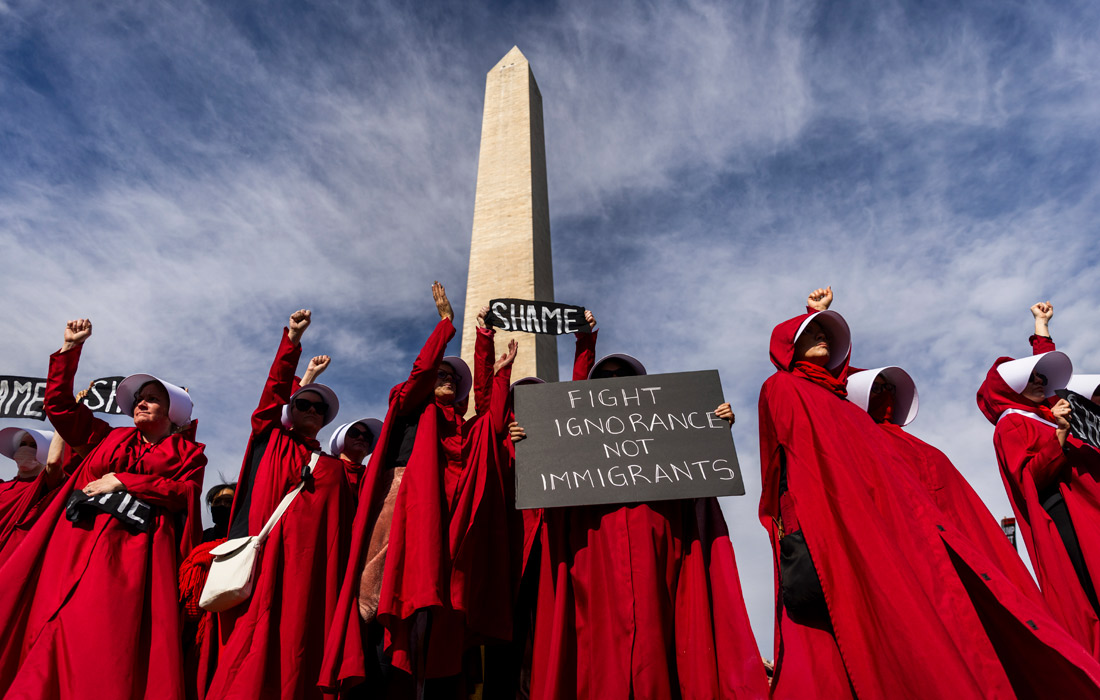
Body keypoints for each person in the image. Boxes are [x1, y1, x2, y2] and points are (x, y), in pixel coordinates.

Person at [761, 290, 1100, 699]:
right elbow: (794, 466)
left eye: (825, 332)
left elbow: (848, 405)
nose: (823, 338)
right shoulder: (784, 388)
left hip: (908, 534)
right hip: (847, 531)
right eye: (810, 333)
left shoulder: (856, 416)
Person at [512, 330, 767, 699]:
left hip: (661, 553)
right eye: (605, 379)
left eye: (624, 378)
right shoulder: (569, 447)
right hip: (592, 557)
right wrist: (529, 445)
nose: (615, 384)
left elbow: (698, 489)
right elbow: (548, 498)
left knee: (663, 644)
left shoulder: (667, 436)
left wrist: (711, 430)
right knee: (595, 654)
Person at [0, 318, 206, 699]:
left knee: (103, 636)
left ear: (173, 411)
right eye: (138, 398)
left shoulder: (189, 453)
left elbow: (185, 494)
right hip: (76, 538)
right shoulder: (107, 435)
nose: (139, 402)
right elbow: (59, 409)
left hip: (135, 554)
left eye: (151, 398)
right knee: (51, 623)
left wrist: (126, 481)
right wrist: (69, 352)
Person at [321, 282, 472, 696]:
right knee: (374, 593)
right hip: (399, 497)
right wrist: (444, 327)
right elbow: (420, 374)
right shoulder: (410, 405)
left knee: (419, 603)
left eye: (450, 379)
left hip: (437, 512)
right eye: (439, 373)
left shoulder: (457, 428)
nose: (442, 379)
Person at [205, 309, 355, 700]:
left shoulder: (331, 467)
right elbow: (272, 397)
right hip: (262, 563)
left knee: (295, 649)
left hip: (305, 574)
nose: (311, 411)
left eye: (319, 409)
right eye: (303, 404)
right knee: (249, 651)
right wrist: (291, 342)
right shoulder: (270, 441)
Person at [977, 303, 1100, 660]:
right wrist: (1060, 435)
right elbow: (1031, 477)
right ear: (1010, 389)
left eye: (1041, 379)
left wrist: (1041, 325)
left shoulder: (1045, 411)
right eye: (1031, 380)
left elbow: (1049, 370)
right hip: (1072, 516)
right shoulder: (1012, 423)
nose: (1041, 383)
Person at [328, 417, 383, 495]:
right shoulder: (326, 470)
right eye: (354, 433)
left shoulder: (374, 479)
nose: (361, 437)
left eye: (367, 436)